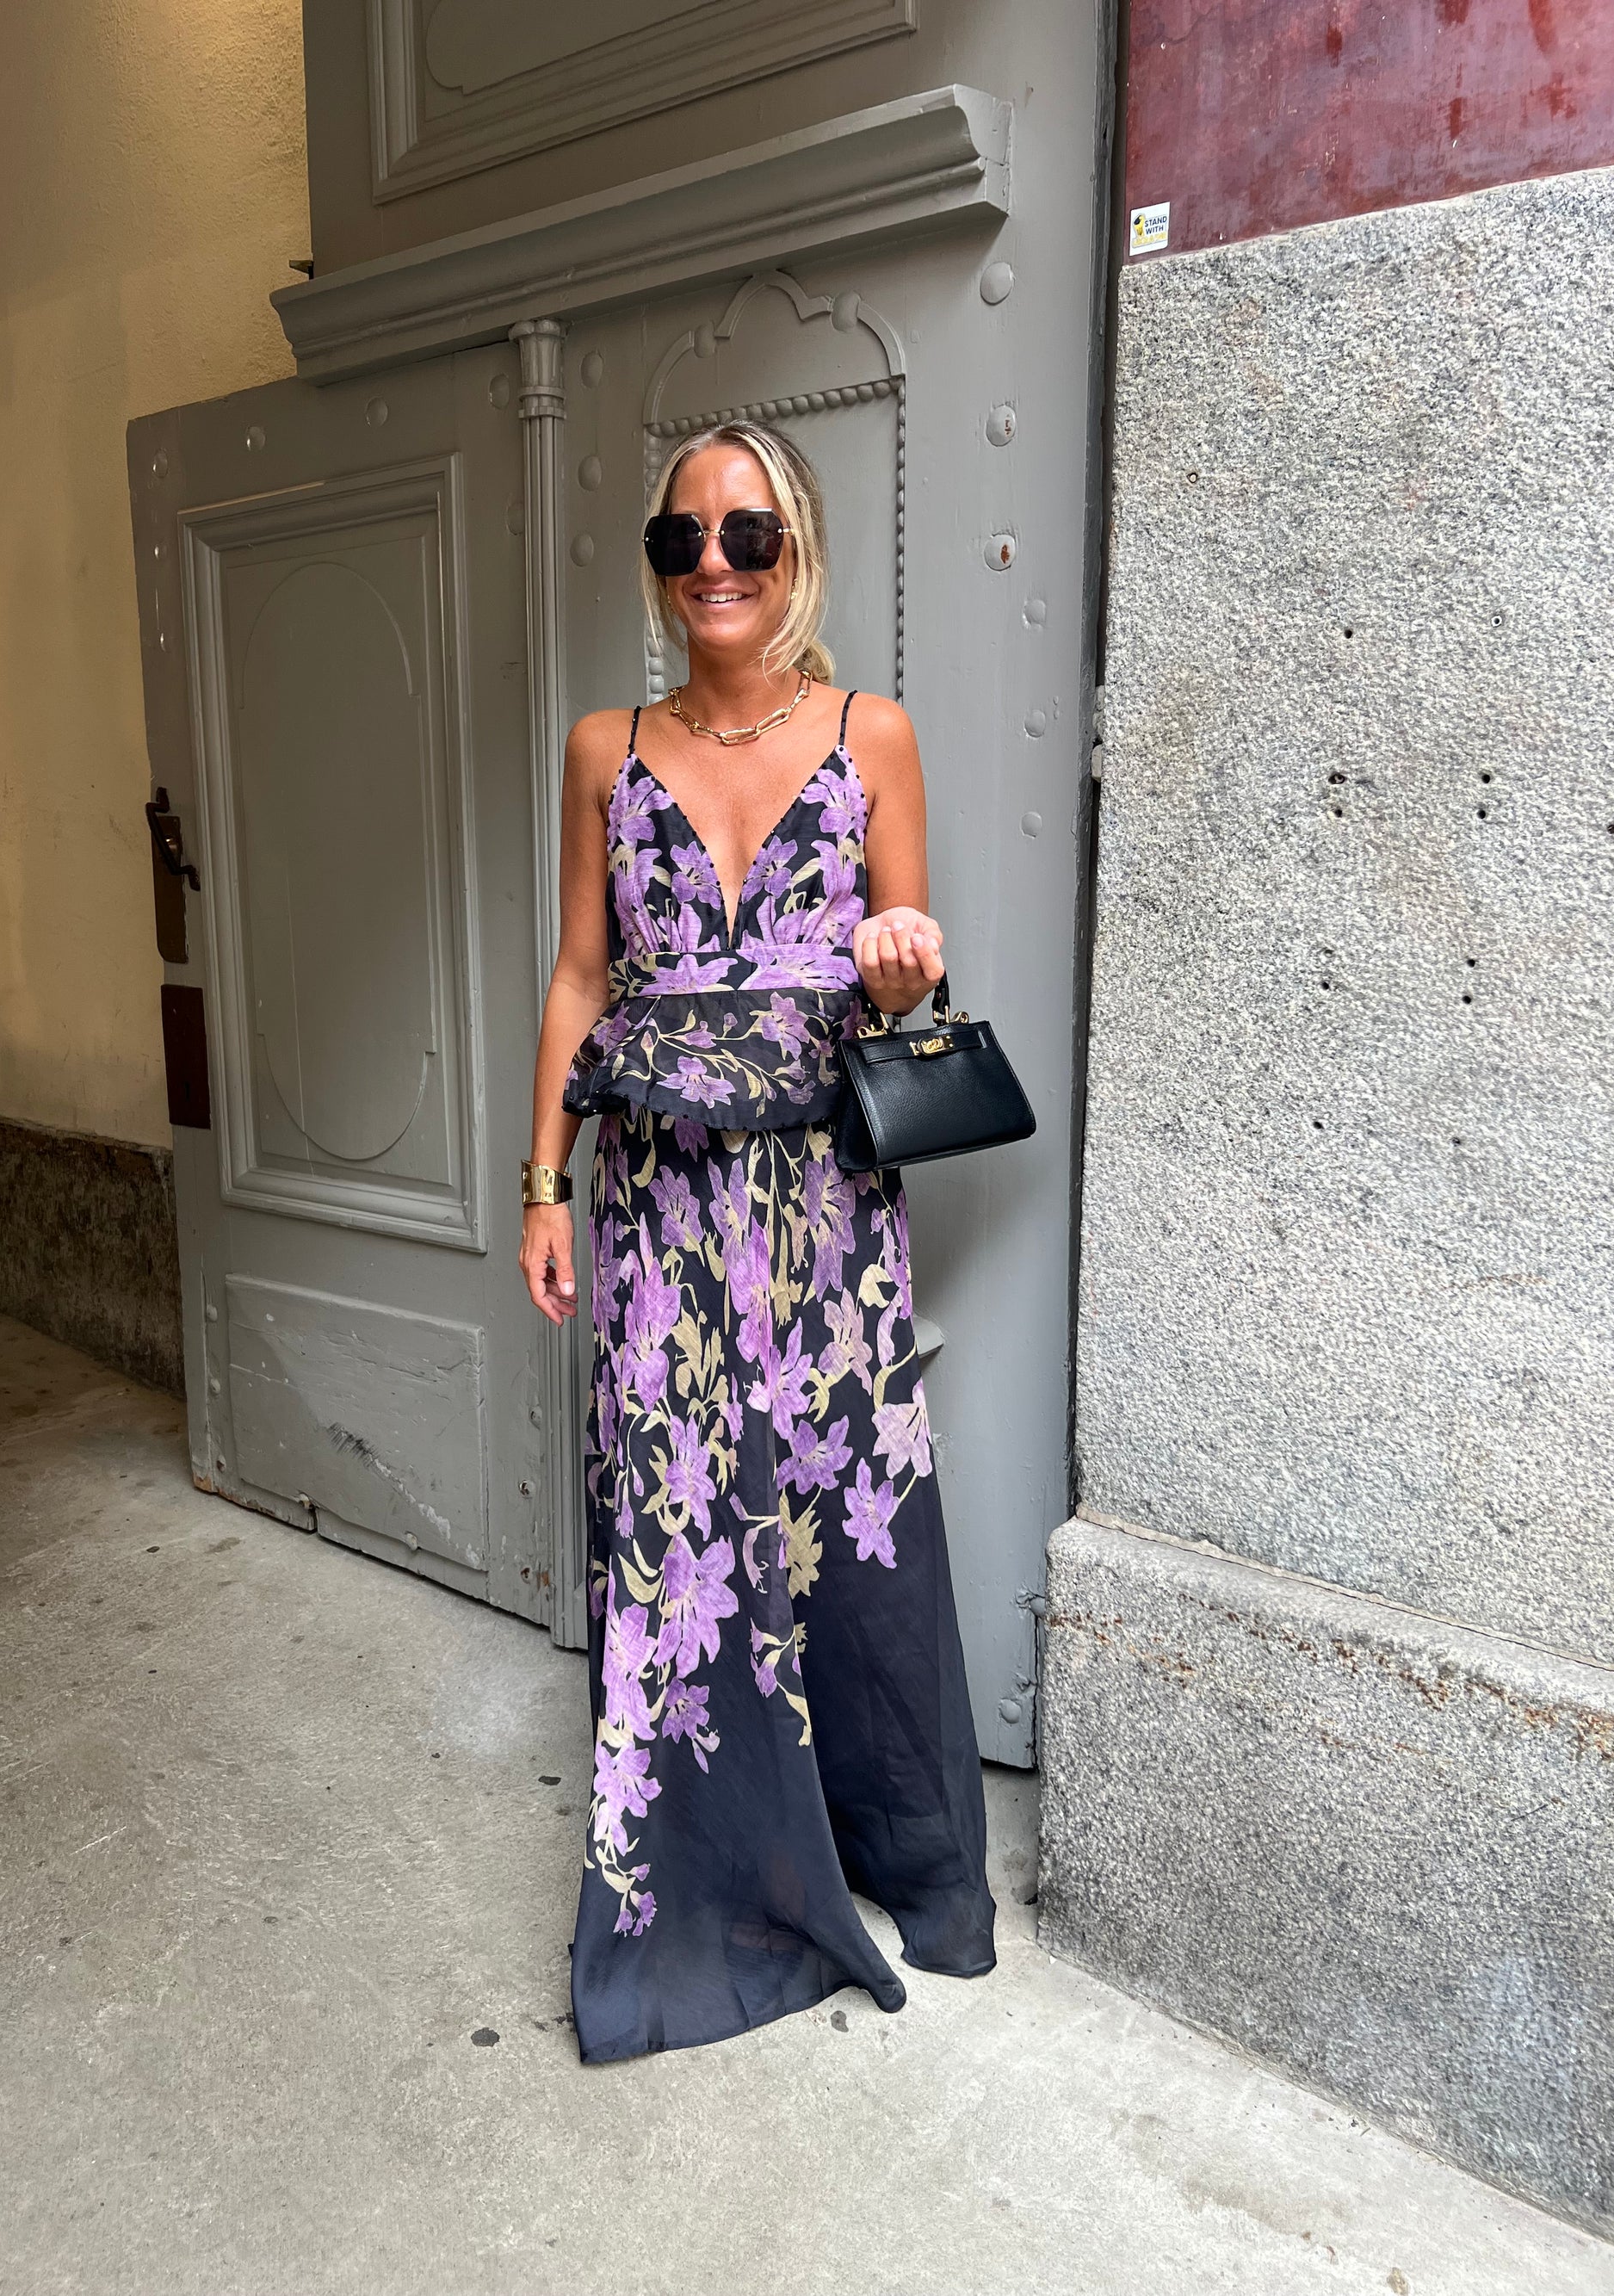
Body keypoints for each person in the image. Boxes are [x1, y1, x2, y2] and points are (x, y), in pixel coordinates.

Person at [519, 420, 996, 2064]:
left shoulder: (874, 734)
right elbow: (582, 978)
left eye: (746, 535)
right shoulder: (605, 748)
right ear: (658, 566)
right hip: (655, 1201)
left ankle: (900, 1861)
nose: (712, 565)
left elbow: (907, 980)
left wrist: (905, 963)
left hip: (825, 1208)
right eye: (683, 540)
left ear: (796, 550)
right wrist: (542, 1182)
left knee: (847, 1520)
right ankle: (716, 1881)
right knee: (679, 1527)